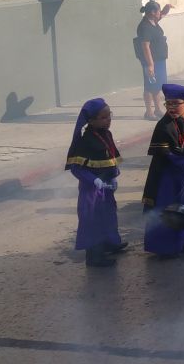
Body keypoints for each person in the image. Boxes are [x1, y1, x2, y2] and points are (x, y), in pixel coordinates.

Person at [141, 84, 184, 258]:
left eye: (175, 103)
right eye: (168, 104)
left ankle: (183, 241)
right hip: (166, 173)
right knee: (166, 206)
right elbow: (166, 154)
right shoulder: (163, 126)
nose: (171, 108)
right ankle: (163, 246)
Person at [65, 98, 125, 267]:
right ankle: (94, 256)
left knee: (109, 216)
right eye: (104, 117)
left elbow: (110, 159)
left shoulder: (107, 135)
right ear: (91, 121)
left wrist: (113, 176)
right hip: (91, 192)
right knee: (93, 221)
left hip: (106, 188)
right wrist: (95, 180)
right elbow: (77, 168)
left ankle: (111, 243)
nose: (109, 120)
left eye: (109, 116)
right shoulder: (85, 142)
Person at [135, 1, 171, 120]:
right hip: (151, 61)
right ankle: (149, 112)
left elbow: (160, 17)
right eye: (158, 11)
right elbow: (145, 46)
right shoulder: (144, 27)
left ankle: (157, 109)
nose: (160, 13)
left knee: (157, 85)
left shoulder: (152, 21)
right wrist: (150, 65)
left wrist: (166, 10)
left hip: (159, 60)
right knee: (150, 86)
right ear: (152, 12)